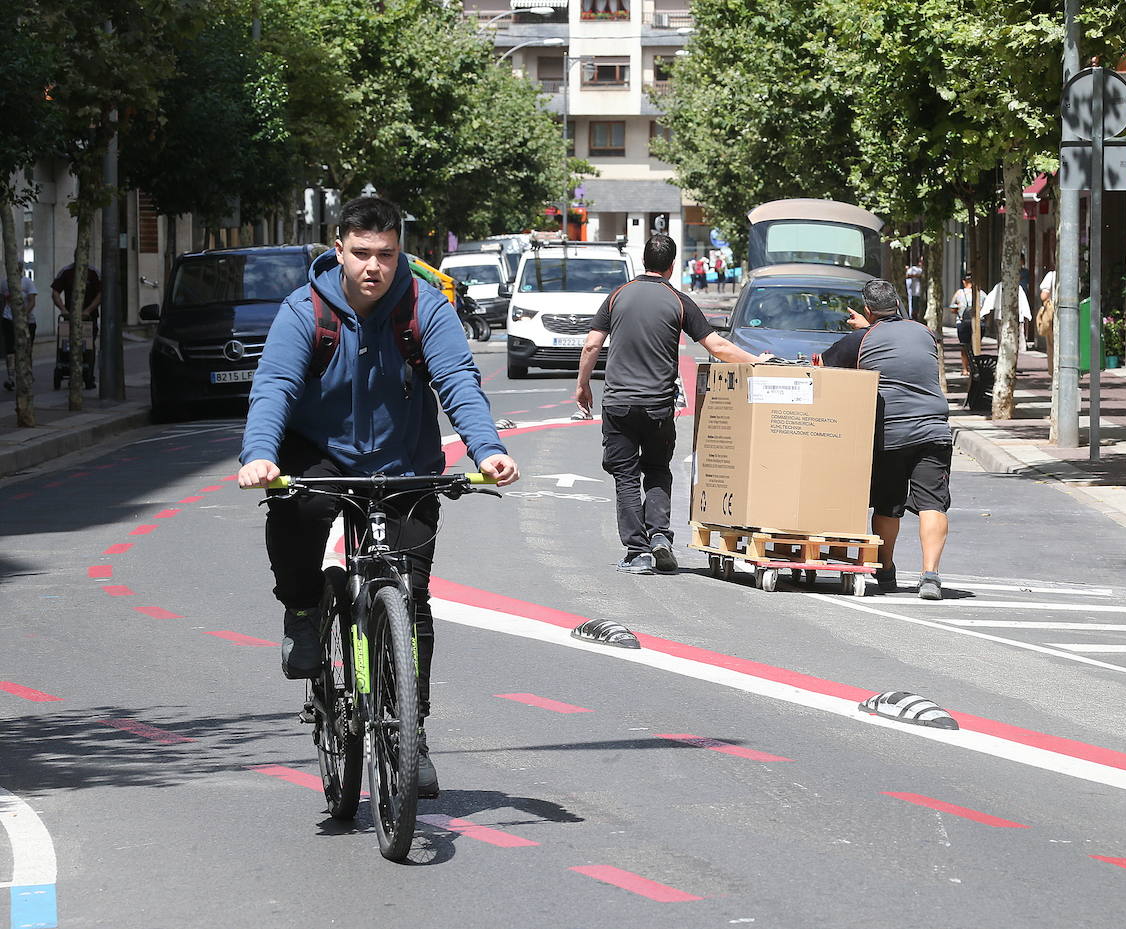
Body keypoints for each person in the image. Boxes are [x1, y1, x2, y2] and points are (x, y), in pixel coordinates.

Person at [237, 196, 518, 798]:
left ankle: (408, 736)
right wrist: (259, 453)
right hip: (320, 453)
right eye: (361, 253)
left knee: (412, 598)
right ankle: (305, 611)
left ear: (401, 253)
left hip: (405, 463)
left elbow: (457, 381)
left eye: (386, 254)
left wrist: (485, 449)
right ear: (338, 248)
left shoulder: (424, 306)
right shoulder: (304, 310)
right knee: (298, 506)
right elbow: (276, 384)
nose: (374, 266)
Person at [574, 234, 767, 574]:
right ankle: (660, 536)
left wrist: (582, 385)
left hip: (618, 404)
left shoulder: (617, 296)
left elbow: (591, 346)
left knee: (626, 476)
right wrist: (758, 361)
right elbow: (718, 347)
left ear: (643, 262)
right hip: (659, 408)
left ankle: (638, 551)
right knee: (658, 470)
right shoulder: (678, 301)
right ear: (672, 265)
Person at [820, 279, 951, 599]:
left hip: (890, 433)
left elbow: (822, 367)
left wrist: (863, 329)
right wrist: (870, 326)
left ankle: (886, 568)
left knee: (888, 504)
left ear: (866, 309)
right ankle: (930, 575)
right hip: (934, 428)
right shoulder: (924, 332)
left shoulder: (860, 339)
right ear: (898, 304)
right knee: (932, 503)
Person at [51, 262, 101, 390]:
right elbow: (55, 292)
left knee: (88, 347)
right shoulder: (66, 271)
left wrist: (88, 311)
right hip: (70, 318)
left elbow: (100, 294)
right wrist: (63, 309)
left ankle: (88, 374)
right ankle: (69, 368)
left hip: (88, 318)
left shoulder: (93, 272)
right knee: (66, 344)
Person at [1, 273, 37, 392]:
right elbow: (3, 300)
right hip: (9, 319)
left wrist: (23, 315)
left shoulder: (27, 282)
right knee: (11, 349)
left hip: (27, 320)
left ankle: (27, 374)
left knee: (26, 348)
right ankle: (11, 377)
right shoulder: (4, 283)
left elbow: (32, 301)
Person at [951, 275, 985, 377]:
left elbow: (952, 309)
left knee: (964, 347)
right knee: (976, 346)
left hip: (962, 322)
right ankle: (975, 368)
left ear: (964, 282)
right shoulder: (981, 293)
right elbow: (987, 309)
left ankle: (965, 369)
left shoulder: (959, 293)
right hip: (979, 323)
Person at [1037, 268, 1057, 364]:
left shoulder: (1052, 275)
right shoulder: (1074, 274)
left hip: (1053, 316)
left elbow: (1044, 295)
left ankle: (1054, 370)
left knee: (1052, 346)